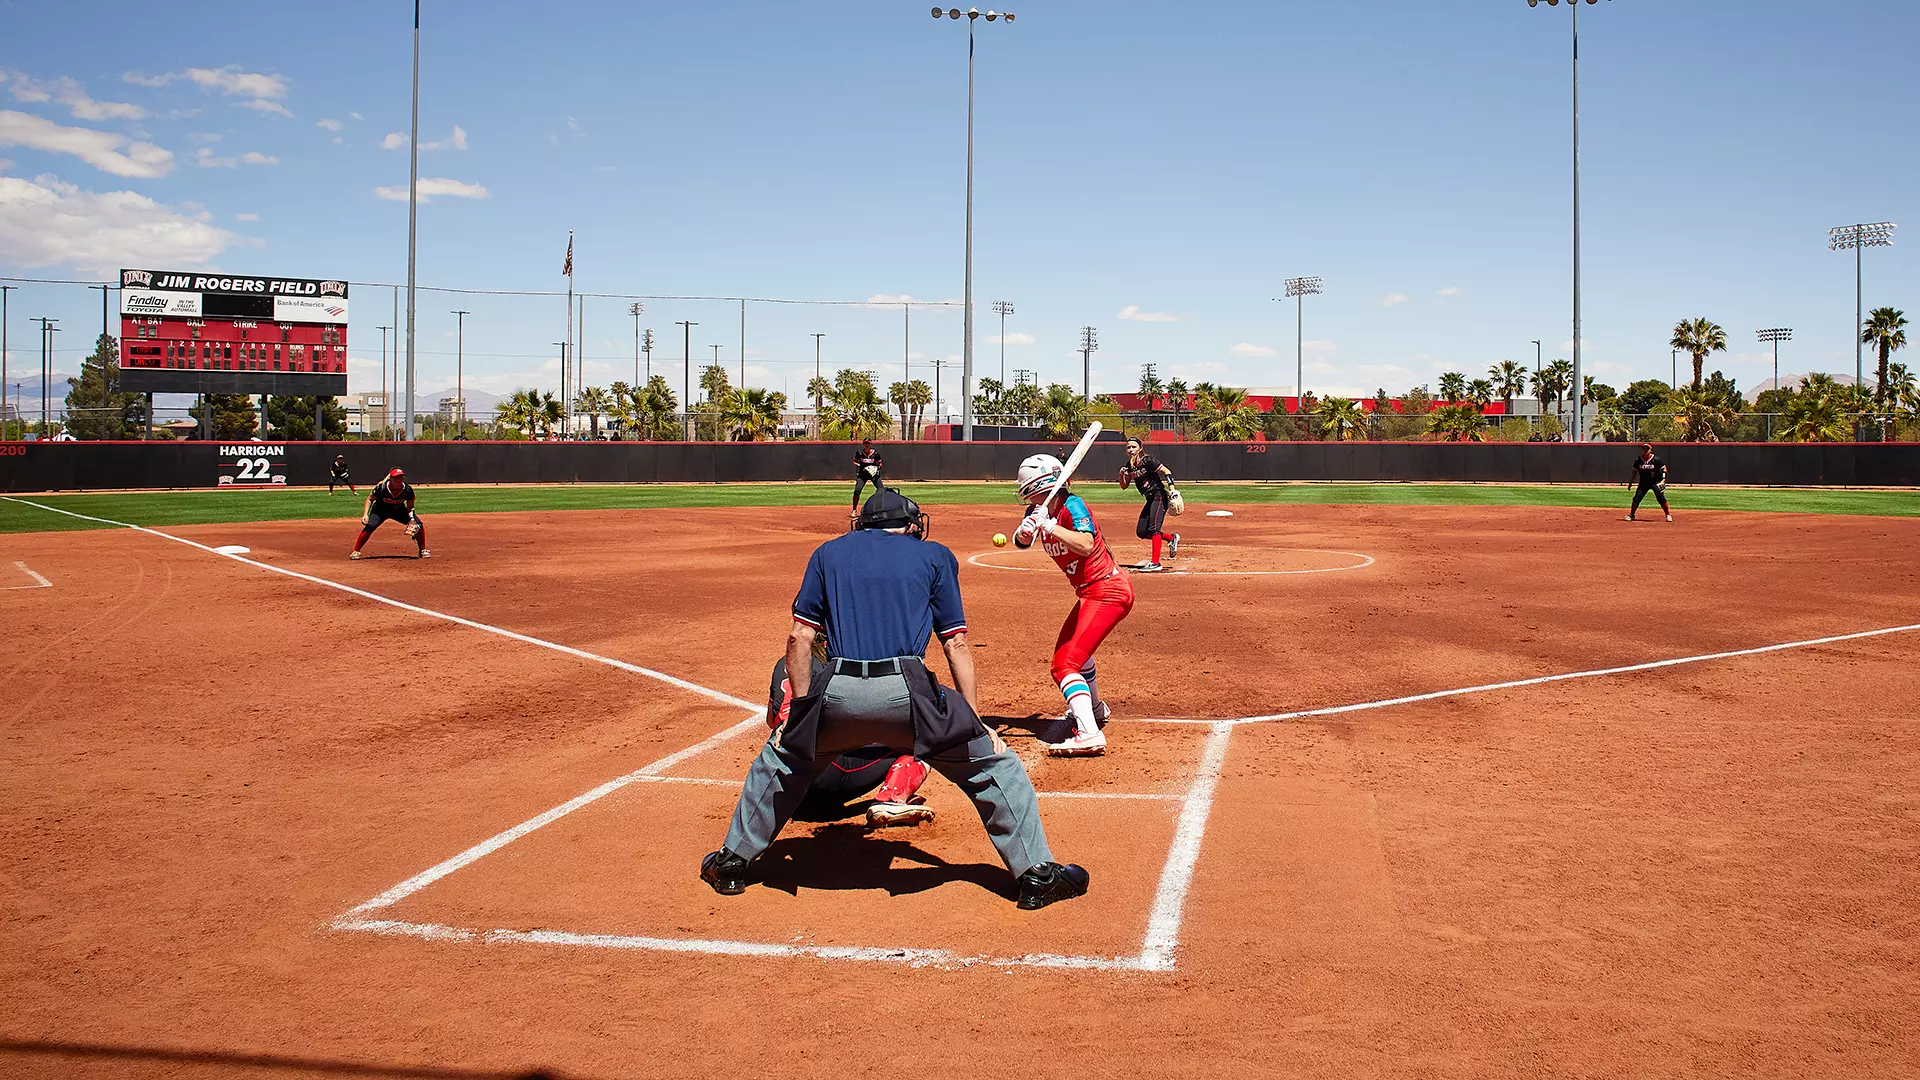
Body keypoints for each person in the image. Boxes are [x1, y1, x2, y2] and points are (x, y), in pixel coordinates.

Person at [701, 489, 1088, 910]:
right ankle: (1037, 875)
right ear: (908, 525)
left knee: (781, 760)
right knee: (995, 764)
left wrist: (805, 714)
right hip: (909, 693)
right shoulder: (934, 556)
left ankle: (731, 863)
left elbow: (799, 638)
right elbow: (955, 643)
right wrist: (975, 723)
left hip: (838, 690)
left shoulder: (827, 554)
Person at [1012, 454, 1134, 757]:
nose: (1025, 494)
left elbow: (1086, 544)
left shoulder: (1072, 505)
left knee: (1064, 664)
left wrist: (1049, 526)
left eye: (1027, 488)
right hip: (1092, 593)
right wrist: (1024, 532)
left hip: (1106, 591)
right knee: (1077, 655)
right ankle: (1095, 709)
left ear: (1038, 485)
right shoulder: (1039, 509)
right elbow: (1021, 542)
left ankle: (1089, 733)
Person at [1119, 436, 1180, 572]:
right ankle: (1171, 538)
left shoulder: (1148, 460)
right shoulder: (1129, 466)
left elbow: (1167, 471)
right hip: (1150, 499)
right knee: (1141, 532)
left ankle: (1155, 563)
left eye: (1133, 447)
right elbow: (1124, 486)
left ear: (1140, 448)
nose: (1131, 449)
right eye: (1128, 447)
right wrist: (1121, 474)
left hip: (1159, 496)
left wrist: (1172, 490)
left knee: (1154, 529)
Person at [351, 468, 430, 559]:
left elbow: (410, 507)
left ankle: (422, 550)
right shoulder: (382, 488)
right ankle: (356, 551)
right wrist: (365, 514)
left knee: (418, 525)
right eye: (396, 477)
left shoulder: (407, 490)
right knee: (370, 526)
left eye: (401, 477)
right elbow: (369, 499)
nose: (399, 479)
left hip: (398, 510)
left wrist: (412, 519)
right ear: (390, 478)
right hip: (380, 510)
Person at [1626, 443, 1673, 523]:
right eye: (1644, 449)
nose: (1645, 450)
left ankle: (1668, 514)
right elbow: (1634, 471)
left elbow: (1664, 468)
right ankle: (1631, 515)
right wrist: (1631, 482)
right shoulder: (1638, 460)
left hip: (1655, 482)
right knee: (1637, 498)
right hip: (1643, 483)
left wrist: (1663, 479)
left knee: (1660, 498)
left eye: (1647, 449)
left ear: (1650, 450)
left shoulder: (1656, 460)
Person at [850, 438, 884, 526]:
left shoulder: (875, 454)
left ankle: (881, 510)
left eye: (868, 443)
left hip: (873, 474)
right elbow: (854, 461)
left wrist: (876, 468)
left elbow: (880, 464)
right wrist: (861, 466)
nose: (867, 445)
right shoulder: (860, 453)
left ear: (871, 444)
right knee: (857, 490)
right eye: (865, 443)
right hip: (863, 474)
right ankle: (854, 510)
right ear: (863, 444)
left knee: (881, 490)